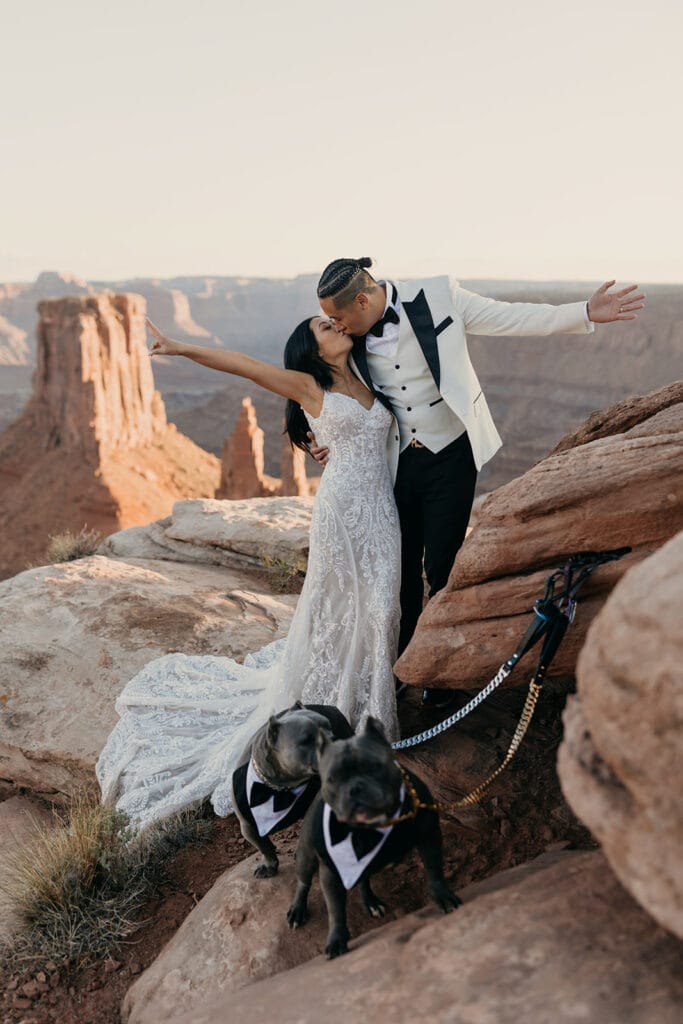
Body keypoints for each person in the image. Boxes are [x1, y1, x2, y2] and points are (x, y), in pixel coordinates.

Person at [96, 315, 401, 832]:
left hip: (381, 510)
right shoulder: (309, 384)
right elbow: (247, 367)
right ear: (312, 349)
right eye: (325, 327)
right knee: (346, 609)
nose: (336, 325)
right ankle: (355, 717)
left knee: (382, 607)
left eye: (335, 320)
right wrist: (180, 347)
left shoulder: (370, 370)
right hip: (342, 513)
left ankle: (369, 702)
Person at [310, 258, 646, 707]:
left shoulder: (440, 294)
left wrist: (584, 311)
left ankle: (442, 673)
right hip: (394, 463)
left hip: (451, 452)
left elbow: (511, 317)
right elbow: (317, 382)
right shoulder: (346, 336)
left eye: (338, 316)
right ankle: (401, 665)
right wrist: (316, 438)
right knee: (401, 571)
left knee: (444, 566)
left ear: (364, 300)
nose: (334, 325)